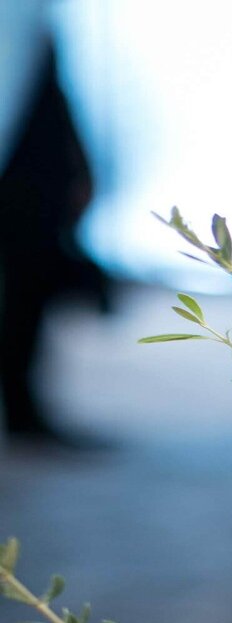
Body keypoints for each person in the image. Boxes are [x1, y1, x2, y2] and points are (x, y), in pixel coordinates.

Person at [0, 38, 108, 448]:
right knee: (24, 295)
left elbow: (48, 98)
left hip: (33, 179)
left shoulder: (28, 26)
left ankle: (24, 411)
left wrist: (77, 170)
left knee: (26, 296)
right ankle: (23, 412)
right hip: (29, 178)